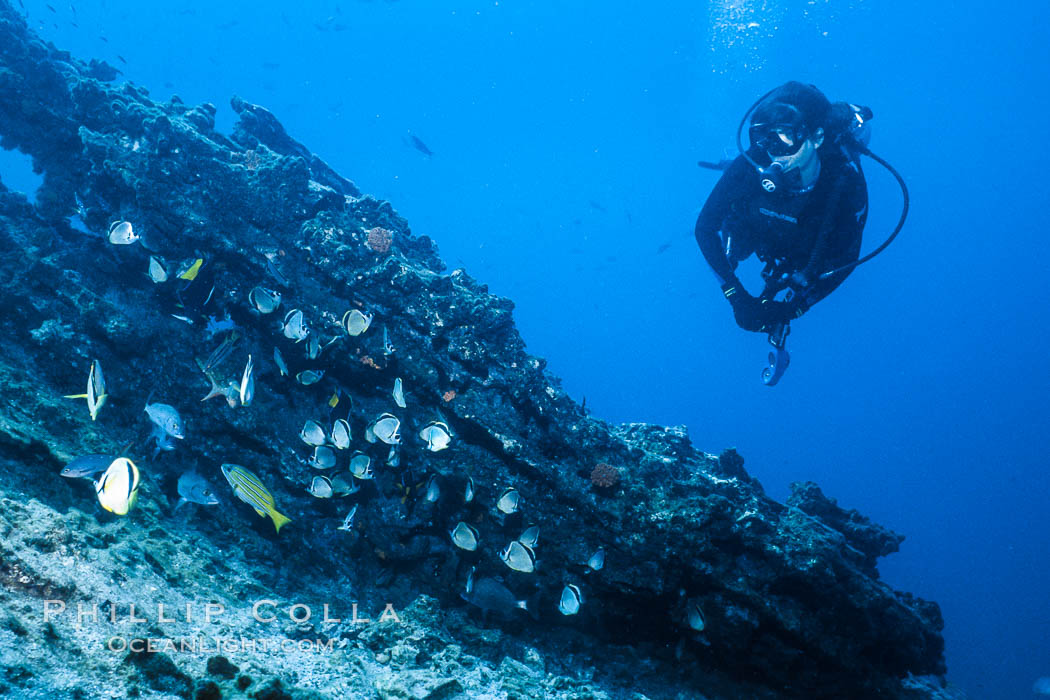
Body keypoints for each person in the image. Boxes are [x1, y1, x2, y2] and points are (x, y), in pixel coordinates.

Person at [695, 82, 869, 333]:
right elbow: (704, 228)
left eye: (786, 137)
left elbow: (846, 260)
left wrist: (794, 309)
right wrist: (736, 297)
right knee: (734, 231)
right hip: (758, 232)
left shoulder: (844, 186)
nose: (774, 154)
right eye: (765, 138)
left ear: (817, 137)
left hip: (802, 252)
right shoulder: (751, 163)